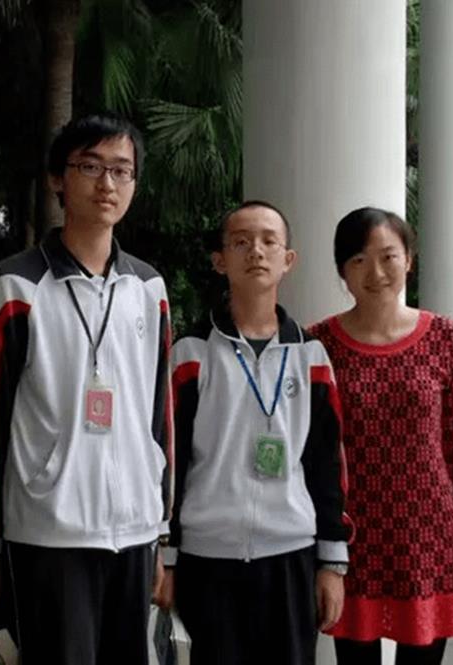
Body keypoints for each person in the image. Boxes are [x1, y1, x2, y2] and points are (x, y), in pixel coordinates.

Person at [0, 113, 173, 665]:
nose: (107, 183)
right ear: (57, 180)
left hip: (134, 531)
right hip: (49, 532)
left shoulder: (148, 288)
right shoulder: (16, 287)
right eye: (90, 167)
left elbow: (160, 417)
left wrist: (161, 533)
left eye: (121, 170)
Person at [160, 201, 350, 665]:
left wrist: (331, 562)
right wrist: (167, 556)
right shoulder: (191, 353)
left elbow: (326, 464)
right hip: (208, 558)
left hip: (291, 554)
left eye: (269, 241)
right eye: (241, 242)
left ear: (288, 259)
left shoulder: (311, 356)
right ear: (219, 260)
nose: (256, 252)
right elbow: (169, 462)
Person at [309, 206, 453, 665]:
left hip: (428, 535)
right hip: (352, 537)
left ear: (409, 259)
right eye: (359, 260)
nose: (376, 272)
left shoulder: (445, 337)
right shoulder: (318, 343)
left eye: (388, 256)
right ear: (342, 270)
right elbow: (311, 453)